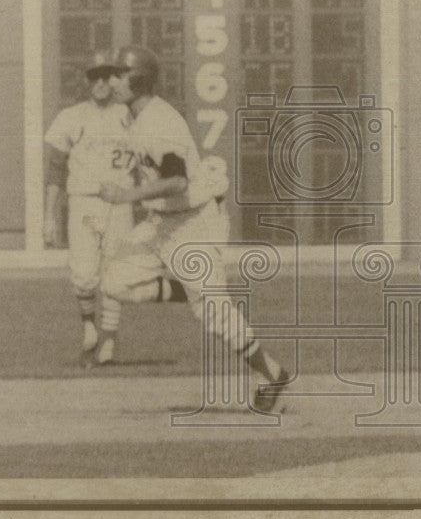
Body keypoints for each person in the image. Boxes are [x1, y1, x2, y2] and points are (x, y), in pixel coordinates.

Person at [97, 45, 289, 411]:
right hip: (160, 224)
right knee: (113, 281)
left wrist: (126, 195)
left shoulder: (159, 121)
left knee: (214, 316)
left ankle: (272, 373)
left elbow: (178, 182)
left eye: (118, 73)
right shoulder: (134, 117)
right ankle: (195, 290)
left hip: (193, 224)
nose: (111, 80)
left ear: (139, 78)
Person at [44, 50, 135, 365]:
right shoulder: (71, 117)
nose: (100, 82)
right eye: (94, 76)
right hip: (83, 201)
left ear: (114, 79)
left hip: (119, 203)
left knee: (115, 274)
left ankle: (108, 341)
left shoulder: (129, 114)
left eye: (106, 75)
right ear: (87, 80)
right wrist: (49, 215)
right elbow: (55, 170)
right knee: (83, 274)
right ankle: (88, 327)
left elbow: (150, 160)